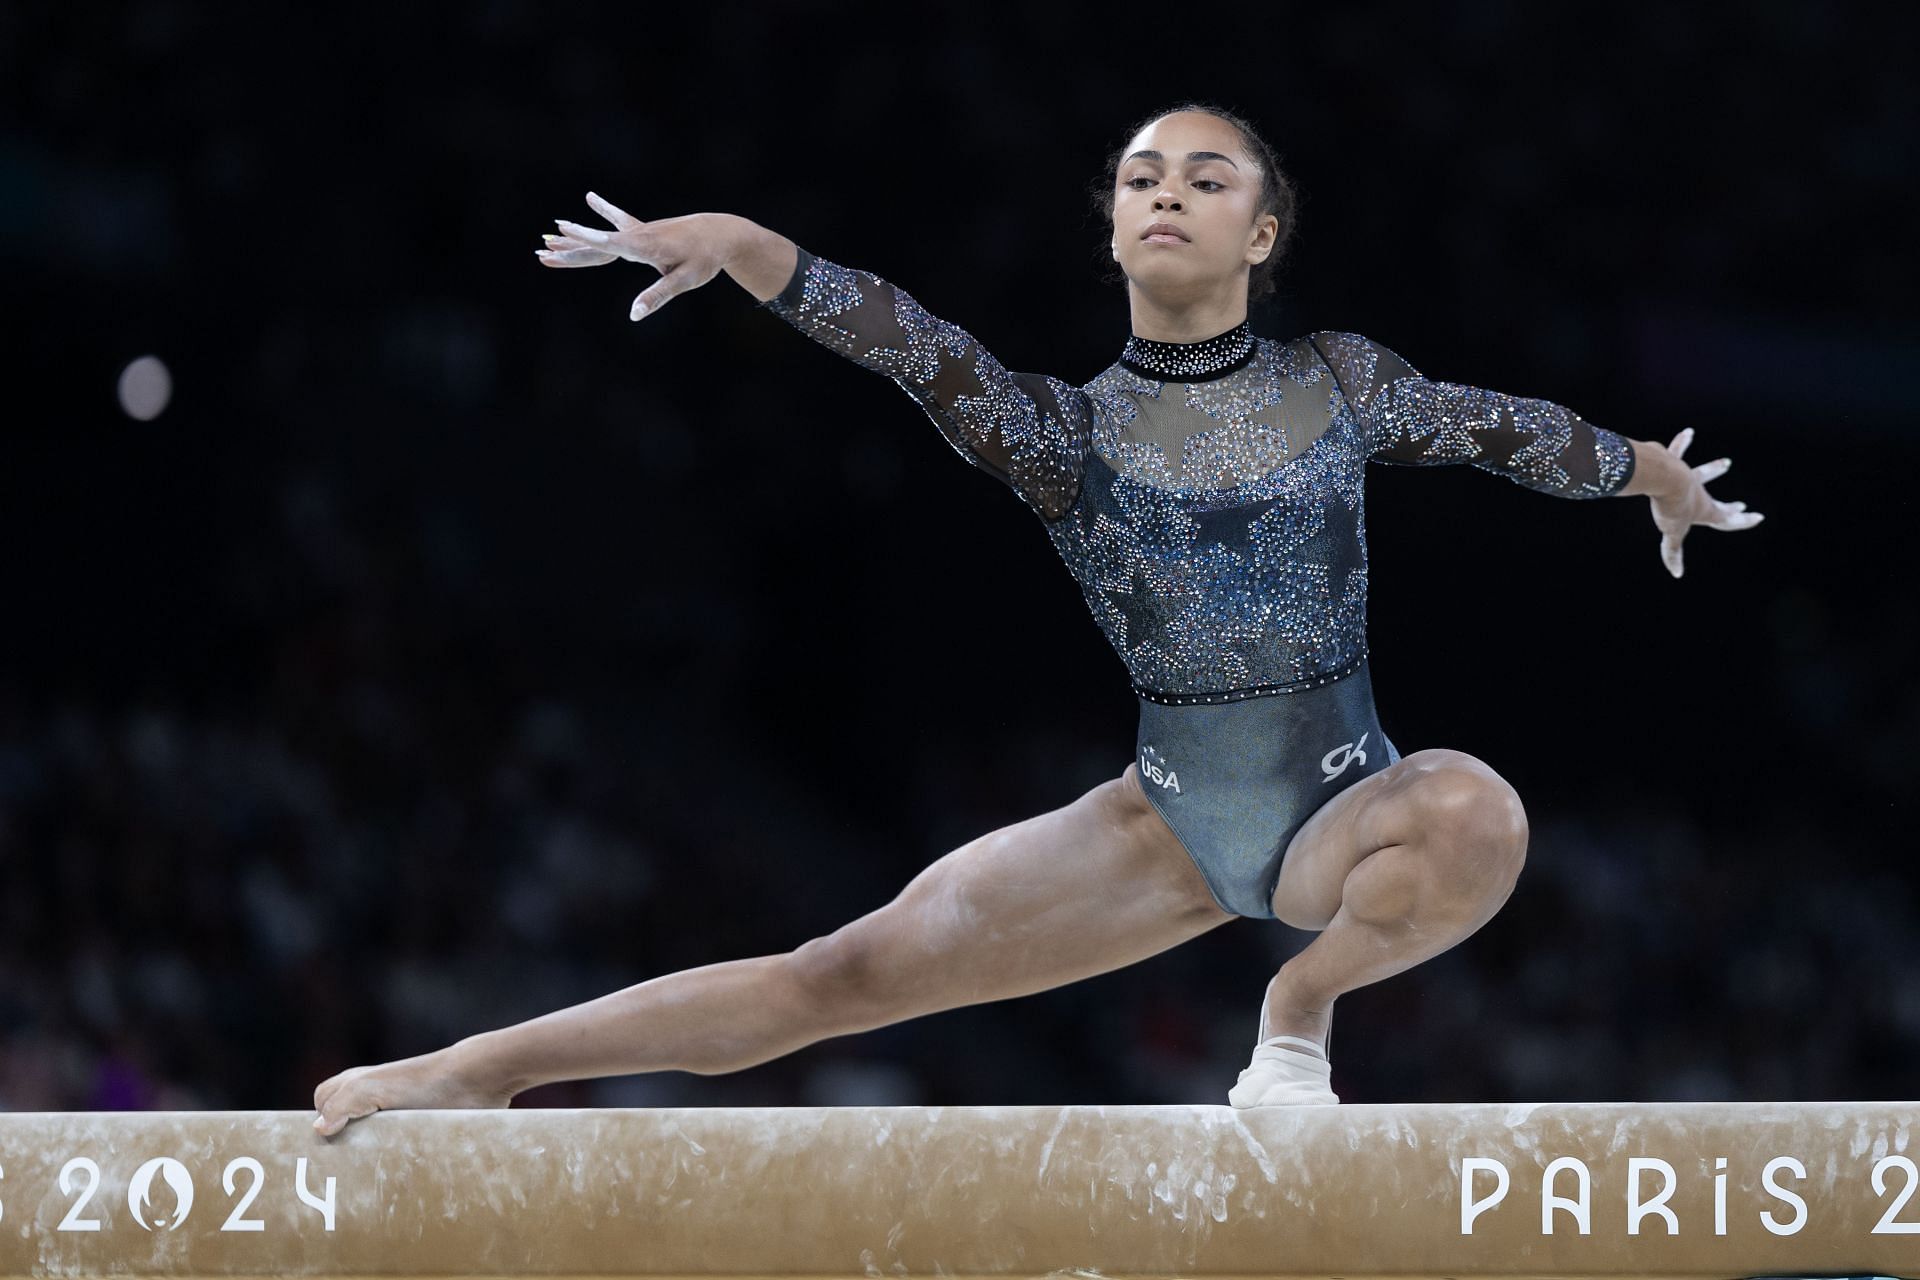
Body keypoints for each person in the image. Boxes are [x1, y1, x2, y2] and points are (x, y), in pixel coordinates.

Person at [311, 103, 1761, 1136]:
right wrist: (756, 249)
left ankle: (1298, 1017)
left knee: (1476, 812)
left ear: (1261, 231)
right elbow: (914, 347)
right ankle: (479, 1068)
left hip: (1341, 807)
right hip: (1161, 827)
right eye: (1140, 177)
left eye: (1204, 176)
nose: (1167, 192)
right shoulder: (1060, 437)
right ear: (1115, 226)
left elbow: (1491, 428)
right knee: (836, 978)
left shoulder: (1340, 382)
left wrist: (1651, 476)